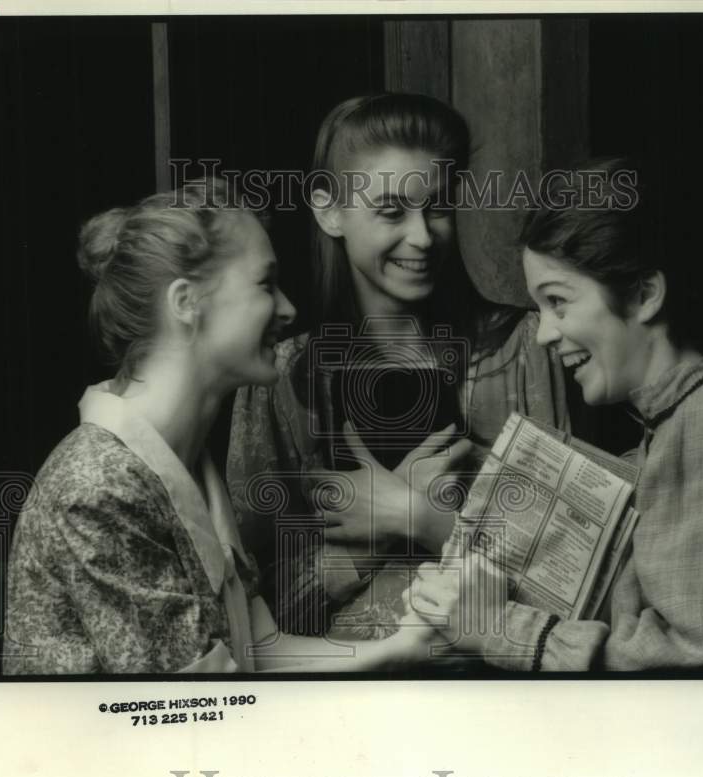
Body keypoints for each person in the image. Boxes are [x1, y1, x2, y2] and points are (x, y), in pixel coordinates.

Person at [3, 179, 444, 674]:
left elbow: (259, 651)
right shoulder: (98, 487)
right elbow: (200, 708)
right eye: (265, 284)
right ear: (186, 302)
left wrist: (396, 645)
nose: (288, 309)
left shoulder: (185, 467)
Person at [407, 159, 703, 671]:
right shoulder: (668, 432)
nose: (543, 333)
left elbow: (690, 651)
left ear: (644, 296)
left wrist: (496, 626)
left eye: (558, 302)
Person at [226, 94, 571, 640]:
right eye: (391, 211)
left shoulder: (526, 348)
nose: (422, 236)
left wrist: (414, 516)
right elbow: (243, 616)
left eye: (437, 208)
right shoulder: (282, 374)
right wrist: (360, 554)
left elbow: (568, 581)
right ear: (329, 210)